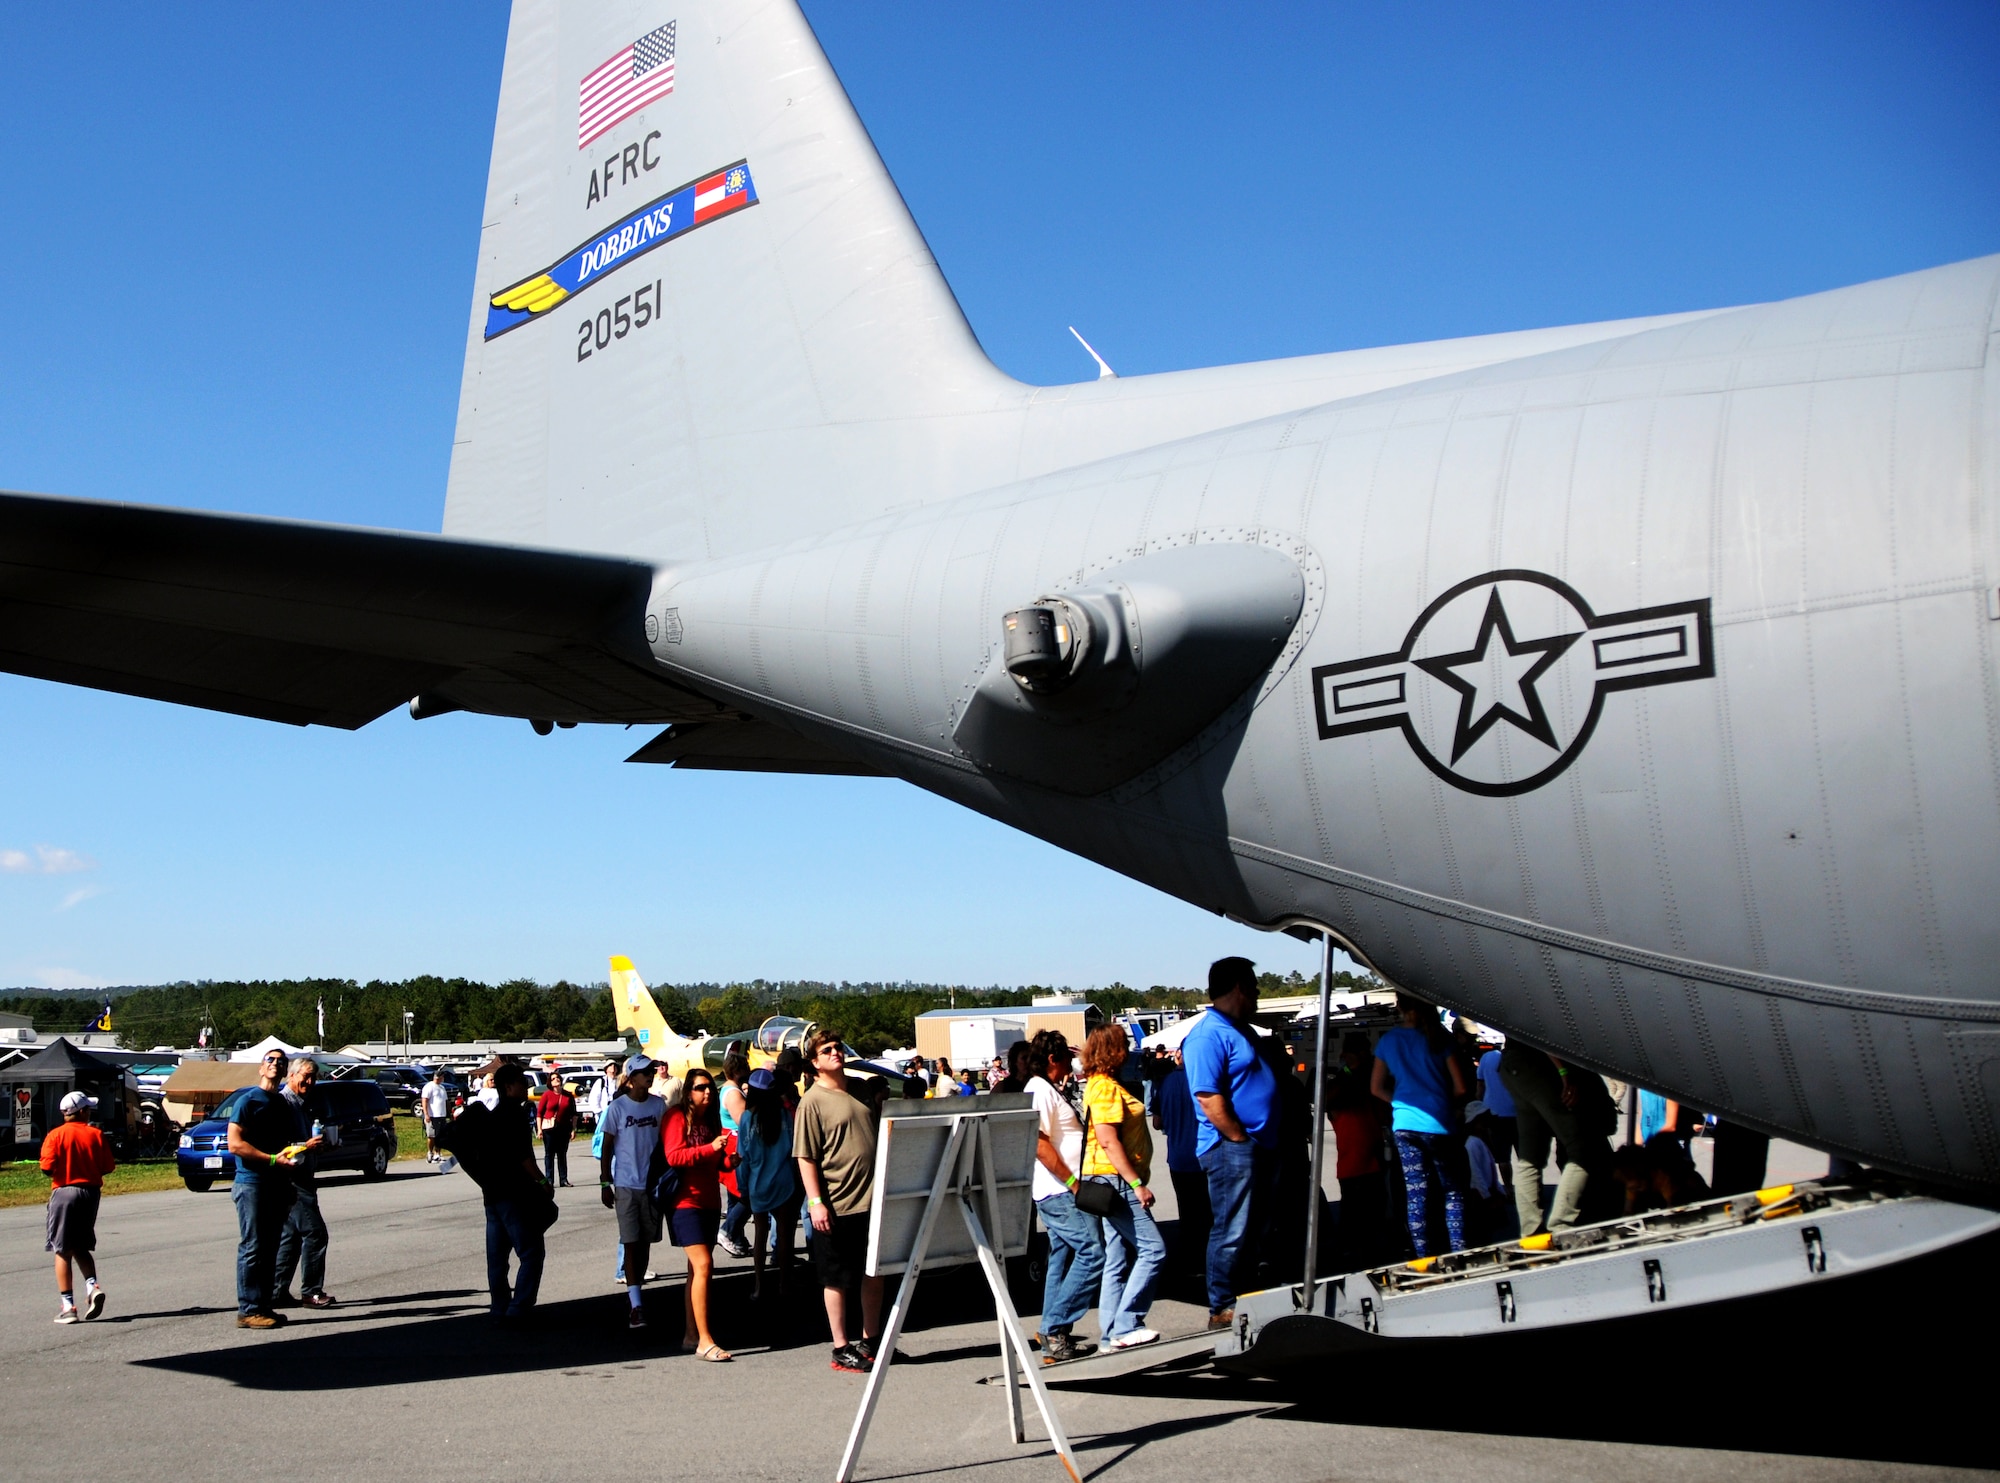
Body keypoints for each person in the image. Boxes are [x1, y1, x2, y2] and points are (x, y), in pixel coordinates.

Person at [1183, 958, 1279, 1329]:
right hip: (1229, 1149)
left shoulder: (1241, 1030)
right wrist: (1239, 1137)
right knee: (1231, 1228)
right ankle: (1222, 1305)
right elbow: (1207, 1096)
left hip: (1256, 1145)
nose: (1257, 994)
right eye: (1254, 987)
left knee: (1254, 1227)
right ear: (1239, 987)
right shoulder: (1208, 1035)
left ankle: (1245, 1295)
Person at [795, 1028, 883, 1373]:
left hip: (872, 1200)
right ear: (814, 1062)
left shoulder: (860, 1090)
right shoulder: (812, 1102)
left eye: (838, 1047)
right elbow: (806, 1158)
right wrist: (816, 1202)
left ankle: (871, 1340)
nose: (836, 1053)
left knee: (873, 1272)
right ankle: (840, 1346)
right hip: (837, 1202)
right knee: (837, 1278)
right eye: (827, 1050)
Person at [1080, 1025, 1165, 1349]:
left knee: (1116, 1258)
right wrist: (1136, 1184)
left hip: (1107, 1179)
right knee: (1154, 1250)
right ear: (1112, 1051)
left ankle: (1109, 1335)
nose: (1128, 1050)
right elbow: (1107, 1139)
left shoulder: (1102, 1084)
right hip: (1113, 1180)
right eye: (1123, 1044)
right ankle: (1126, 1324)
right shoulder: (1104, 1088)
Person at [1371, 996, 1472, 1256]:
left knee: (1417, 1193)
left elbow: (1376, 1087)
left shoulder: (1388, 1041)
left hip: (1404, 1124)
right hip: (1438, 1122)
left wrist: (1401, 1102)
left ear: (1400, 1008)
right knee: (1452, 1191)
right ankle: (1458, 1251)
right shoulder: (1440, 1038)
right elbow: (1461, 1087)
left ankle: (1423, 1257)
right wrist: (1442, 1101)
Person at [227, 1048, 317, 1329]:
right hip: (251, 1183)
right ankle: (248, 1309)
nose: (276, 1064)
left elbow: (285, 1147)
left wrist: (289, 1172)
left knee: (270, 1247)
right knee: (253, 1247)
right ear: (261, 1068)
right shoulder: (248, 1101)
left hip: (277, 1184)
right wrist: (271, 1160)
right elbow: (235, 1144)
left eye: (281, 1062)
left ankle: (264, 1305)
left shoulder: (280, 1103)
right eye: (271, 1060)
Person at [1024, 1029, 1099, 1362]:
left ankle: (1051, 1334)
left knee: (1062, 1257)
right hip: (1058, 1189)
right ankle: (1056, 1327)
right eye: (1067, 1059)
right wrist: (1073, 1183)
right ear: (1051, 1059)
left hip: (1056, 1188)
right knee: (1093, 1251)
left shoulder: (1048, 1089)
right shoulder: (1039, 1090)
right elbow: (1041, 1145)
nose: (1070, 1066)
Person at [461, 1062, 550, 1323]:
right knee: (531, 1251)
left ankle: (499, 1305)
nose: (526, 1086)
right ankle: (519, 1306)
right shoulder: (515, 1115)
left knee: (498, 1258)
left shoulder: (492, 1116)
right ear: (509, 1087)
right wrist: (543, 1182)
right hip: (515, 1194)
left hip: (492, 1193)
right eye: (522, 1082)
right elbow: (523, 1157)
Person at [1498, 1042, 1617, 1236]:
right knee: (1581, 1148)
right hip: (1539, 1061)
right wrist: (1563, 1072)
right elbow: (1541, 1033)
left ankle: (1531, 1232)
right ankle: (1560, 1224)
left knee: (1529, 1158)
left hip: (1513, 1064)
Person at [663, 1068, 733, 1361]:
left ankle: (691, 1334)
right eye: (701, 1088)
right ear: (687, 1091)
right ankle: (705, 1341)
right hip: (684, 1202)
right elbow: (674, 1156)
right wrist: (709, 1148)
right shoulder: (676, 1118)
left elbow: (718, 1163)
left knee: (697, 1271)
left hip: (709, 1201)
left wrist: (730, 1160)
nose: (707, 1093)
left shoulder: (710, 1121)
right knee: (703, 1265)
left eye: (710, 1089)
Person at [598, 1054, 667, 1329]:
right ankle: (636, 1304)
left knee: (646, 1243)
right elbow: (606, 1148)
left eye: (651, 1070)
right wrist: (605, 1183)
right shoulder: (618, 1108)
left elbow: (664, 1142)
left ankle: (638, 1294)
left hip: (651, 1186)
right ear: (631, 1077)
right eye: (643, 1072)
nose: (649, 1075)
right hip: (626, 1185)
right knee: (630, 1242)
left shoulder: (659, 1105)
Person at [42, 1089, 114, 1323]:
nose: (90, 1111)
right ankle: (92, 1287)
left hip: (64, 1192)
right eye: (88, 1108)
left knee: (62, 1249)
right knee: (81, 1246)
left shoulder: (55, 1135)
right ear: (81, 1111)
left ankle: (68, 1307)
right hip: (90, 1193)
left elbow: (47, 1168)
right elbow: (107, 1166)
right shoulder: (96, 1134)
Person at [273, 1056, 336, 1309]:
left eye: (313, 1077)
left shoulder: (301, 1104)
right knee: (315, 1233)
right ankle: (311, 1291)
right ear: (291, 1075)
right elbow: (279, 1146)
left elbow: (300, 1144)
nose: (309, 1082)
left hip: (301, 1177)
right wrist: (305, 1146)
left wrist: (318, 1148)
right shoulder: (284, 1104)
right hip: (291, 1179)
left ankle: (276, 1291)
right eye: (305, 1076)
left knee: (291, 1237)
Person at [736, 1067, 800, 1300]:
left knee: (760, 1233)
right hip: (784, 1181)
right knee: (784, 1235)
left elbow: (743, 1157)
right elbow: (793, 1148)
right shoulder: (783, 1115)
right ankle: (785, 1283)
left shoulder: (747, 1117)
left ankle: (759, 1285)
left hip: (757, 1183)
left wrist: (742, 1187)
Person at [1150, 1046, 1209, 1286]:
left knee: (1187, 1213)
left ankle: (1189, 1263)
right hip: (1203, 1155)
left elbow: (1156, 1122)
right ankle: (1206, 1262)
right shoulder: (1202, 1081)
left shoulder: (1165, 1083)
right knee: (1207, 1214)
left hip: (1177, 1157)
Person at [716, 1046, 753, 1258]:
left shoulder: (727, 1089)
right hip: (737, 1146)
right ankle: (728, 1231)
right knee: (746, 1194)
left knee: (734, 1195)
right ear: (738, 1070)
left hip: (732, 1145)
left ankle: (737, 1239)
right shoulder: (733, 1093)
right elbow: (743, 1122)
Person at [1475, 1041, 1517, 1175]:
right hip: (1516, 1112)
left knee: (1503, 1156)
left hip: (1494, 1112)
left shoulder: (1486, 1058)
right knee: (1526, 1157)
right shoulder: (1514, 1057)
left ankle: (1508, 1190)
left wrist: (1478, 1104)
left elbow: (1480, 1086)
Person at [538, 1073, 577, 1187]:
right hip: (549, 1128)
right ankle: (549, 1179)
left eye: (558, 1078)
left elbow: (574, 1114)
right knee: (549, 1154)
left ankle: (563, 1179)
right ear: (550, 1082)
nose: (556, 1080)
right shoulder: (546, 1095)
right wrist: (539, 1129)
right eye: (553, 1079)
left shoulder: (568, 1095)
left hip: (564, 1128)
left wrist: (573, 1129)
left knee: (562, 1154)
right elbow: (539, 1113)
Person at [421, 1068, 453, 1163]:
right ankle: (430, 1152)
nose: (443, 1079)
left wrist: (449, 1112)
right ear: (437, 1077)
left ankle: (437, 1154)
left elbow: (446, 1101)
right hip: (432, 1115)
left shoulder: (442, 1088)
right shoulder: (429, 1087)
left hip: (441, 1115)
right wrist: (426, 1114)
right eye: (442, 1077)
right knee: (432, 1135)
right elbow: (424, 1100)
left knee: (440, 1135)